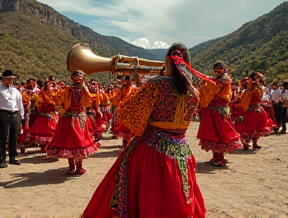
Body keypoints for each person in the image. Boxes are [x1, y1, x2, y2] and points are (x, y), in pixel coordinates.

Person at [81, 43, 206, 218]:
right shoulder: (194, 92)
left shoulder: (157, 85)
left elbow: (128, 114)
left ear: (168, 61)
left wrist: (141, 87)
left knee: (144, 195)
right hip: (181, 151)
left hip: (152, 150)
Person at [46, 70, 99, 175]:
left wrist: (85, 87)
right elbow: (60, 103)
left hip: (80, 118)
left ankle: (79, 166)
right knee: (69, 142)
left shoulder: (85, 90)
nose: (78, 80)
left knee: (80, 141)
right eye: (76, 78)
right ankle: (71, 166)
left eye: (80, 78)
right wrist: (62, 112)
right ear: (72, 79)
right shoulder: (67, 90)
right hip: (68, 118)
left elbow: (92, 98)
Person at [196, 62, 243, 167]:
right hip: (212, 110)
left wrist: (204, 84)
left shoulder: (224, 81)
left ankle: (220, 158)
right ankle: (216, 156)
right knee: (212, 134)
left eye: (220, 69)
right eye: (216, 69)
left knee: (219, 133)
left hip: (218, 111)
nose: (218, 71)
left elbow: (213, 90)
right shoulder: (216, 80)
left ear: (224, 69)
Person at [237, 72, 276, 150]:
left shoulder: (258, 87)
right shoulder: (249, 90)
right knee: (248, 127)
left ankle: (255, 143)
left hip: (257, 109)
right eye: (257, 77)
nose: (258, 79)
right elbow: (246, 99)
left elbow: (259, 97)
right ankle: (246, 143)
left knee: (257, 127)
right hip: (250, 110)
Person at [0, 70, 25, 168]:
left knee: (14, 136)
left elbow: (20, 104)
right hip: (3, 112)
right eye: (8, 79)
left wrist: (21, 117)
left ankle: (12, 157)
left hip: (15, 113)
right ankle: (1, 159)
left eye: (11, 79)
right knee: (2, 136)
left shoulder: (16, 91)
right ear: (4, 80)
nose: (10, 81)